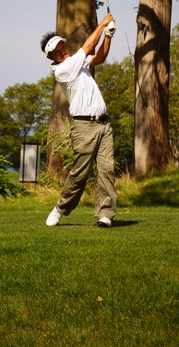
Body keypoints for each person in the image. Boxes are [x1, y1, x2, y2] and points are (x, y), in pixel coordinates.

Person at [40, 13, 117, 227]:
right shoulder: (63, 69)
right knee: (80, 174)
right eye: (57, 50)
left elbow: (99, 57)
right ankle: (61, 208)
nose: (62, 50)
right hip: (84, 126)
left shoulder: (77, 62)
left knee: (107, 169)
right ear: (51, 57)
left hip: (103, 123)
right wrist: (102, 24)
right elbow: (88, 46)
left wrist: (108, 36)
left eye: (62, 46)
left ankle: (104, 215)